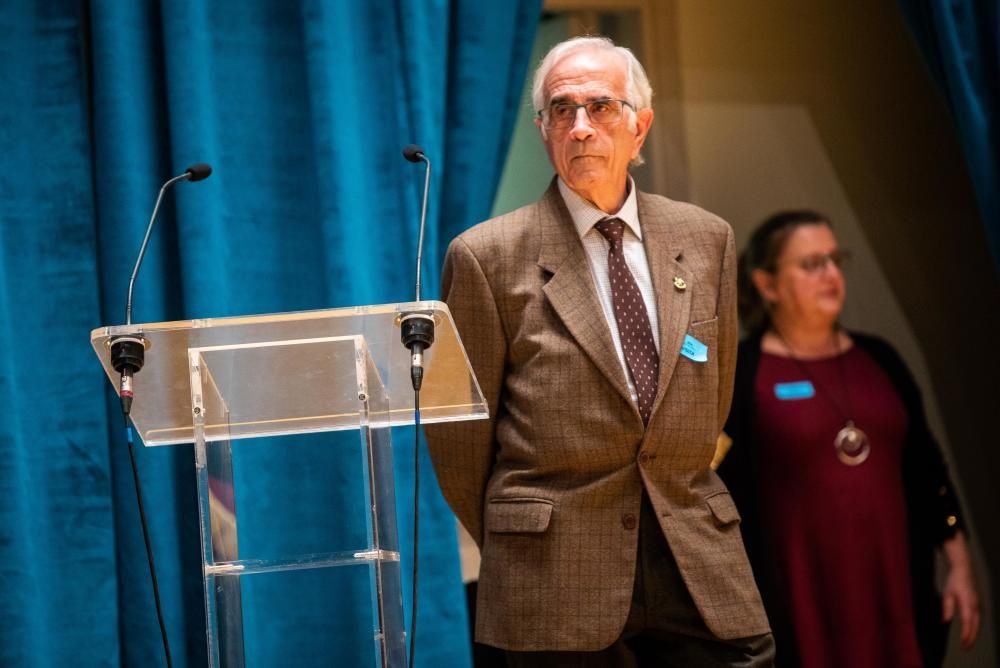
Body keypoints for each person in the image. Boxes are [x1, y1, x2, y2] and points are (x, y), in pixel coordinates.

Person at [424, 36, 773, 666]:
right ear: (543, 130)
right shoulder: (486, 256)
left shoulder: (705, 238)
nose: (581, 127)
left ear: (640, 126)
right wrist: (523, 531)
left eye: (601, 107)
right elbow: (459, 437)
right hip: (555, 571)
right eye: (562, 110)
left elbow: (710, 397)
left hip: (693, 550)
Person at [717, 210, 980, 668]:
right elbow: (710, 486)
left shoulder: (881, 358)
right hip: (798, 599)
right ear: (767, 284)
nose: (832, 275)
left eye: (836, 260)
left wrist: (958, 564)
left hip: (893, 588)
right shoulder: (740, 375)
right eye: (812, 264)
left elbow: (927, 466)